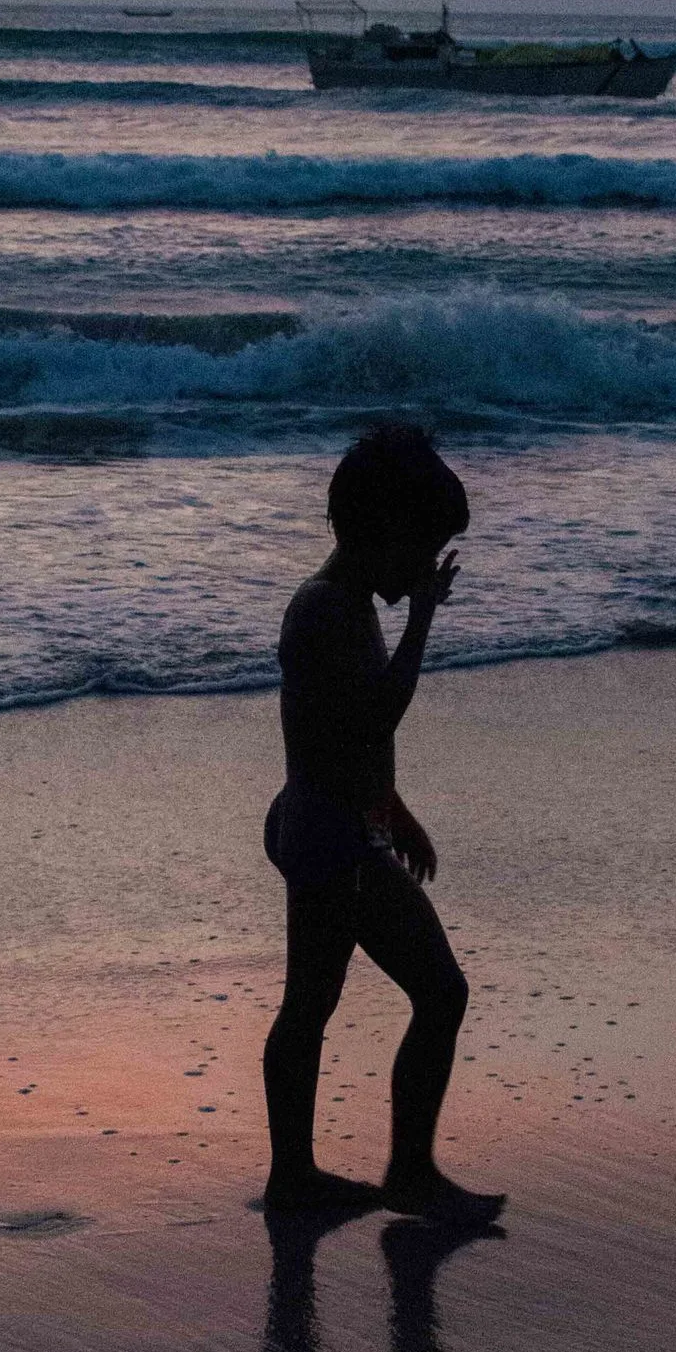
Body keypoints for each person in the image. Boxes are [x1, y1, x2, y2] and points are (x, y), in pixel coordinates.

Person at [260, 423, 506, 1224]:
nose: (425, 568)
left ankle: (394, 1170)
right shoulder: (329, 610)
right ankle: (303, 1176)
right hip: (328, 836)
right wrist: (425, 620)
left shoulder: (346, 601)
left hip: (341, 821)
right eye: (422, 548)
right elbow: (376, 716)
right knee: (319, 1005)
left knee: (435, 991)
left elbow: (351, 734)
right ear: (378, 529)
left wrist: (393, 808)